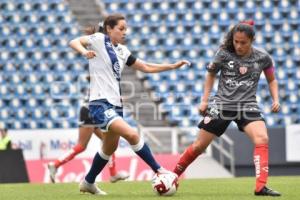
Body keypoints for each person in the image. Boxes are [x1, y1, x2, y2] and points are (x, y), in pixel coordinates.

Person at [69, 13, 190, 195]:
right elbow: (75, 41)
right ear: (109, 29)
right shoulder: (99, 39)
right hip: (100, 104)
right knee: (132, 134)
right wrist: (84, 51)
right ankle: (159, 170)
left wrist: (172, 66)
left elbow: (146, 67)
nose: (125, 32)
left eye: (126, 29)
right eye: (121, 28)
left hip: (116, 105)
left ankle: (88, 182)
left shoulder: (123, 51)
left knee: (109, 147)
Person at [173, 20, 281, 197]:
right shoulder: (223, 54)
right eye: (236, 41)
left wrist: (275, 98)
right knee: (199, 146)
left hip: (248, 105)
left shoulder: (263, 58)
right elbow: (210, 74)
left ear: (252, 40)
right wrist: (204, 100)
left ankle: (261, 187)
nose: (238, 45)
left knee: (262, 138)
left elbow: (272, 80)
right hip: (222, 104)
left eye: (243, 42)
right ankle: (172, 176)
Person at [47, 101, 129, 183]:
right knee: (82, 145)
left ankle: (113, 174)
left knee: (108, 142)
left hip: (94, 109)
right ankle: (55, 165)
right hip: (93, 109)